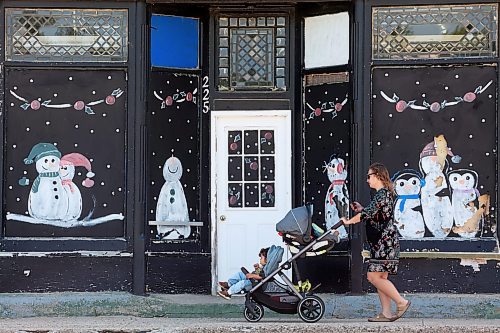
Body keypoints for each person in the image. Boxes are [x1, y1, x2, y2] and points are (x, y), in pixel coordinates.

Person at [340, 162, 410, 322]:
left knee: (373, 277)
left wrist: (349, 221)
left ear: (378, 176)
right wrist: (361, 209)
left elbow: (368, 214)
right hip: (384, 242)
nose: (367, 180)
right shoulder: (385, 194)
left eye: (369, 176)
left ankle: (401, 302)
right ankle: (386, 313)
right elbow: (374, 212)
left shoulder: (382, 194)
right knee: (381, 278)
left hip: (384, 243)